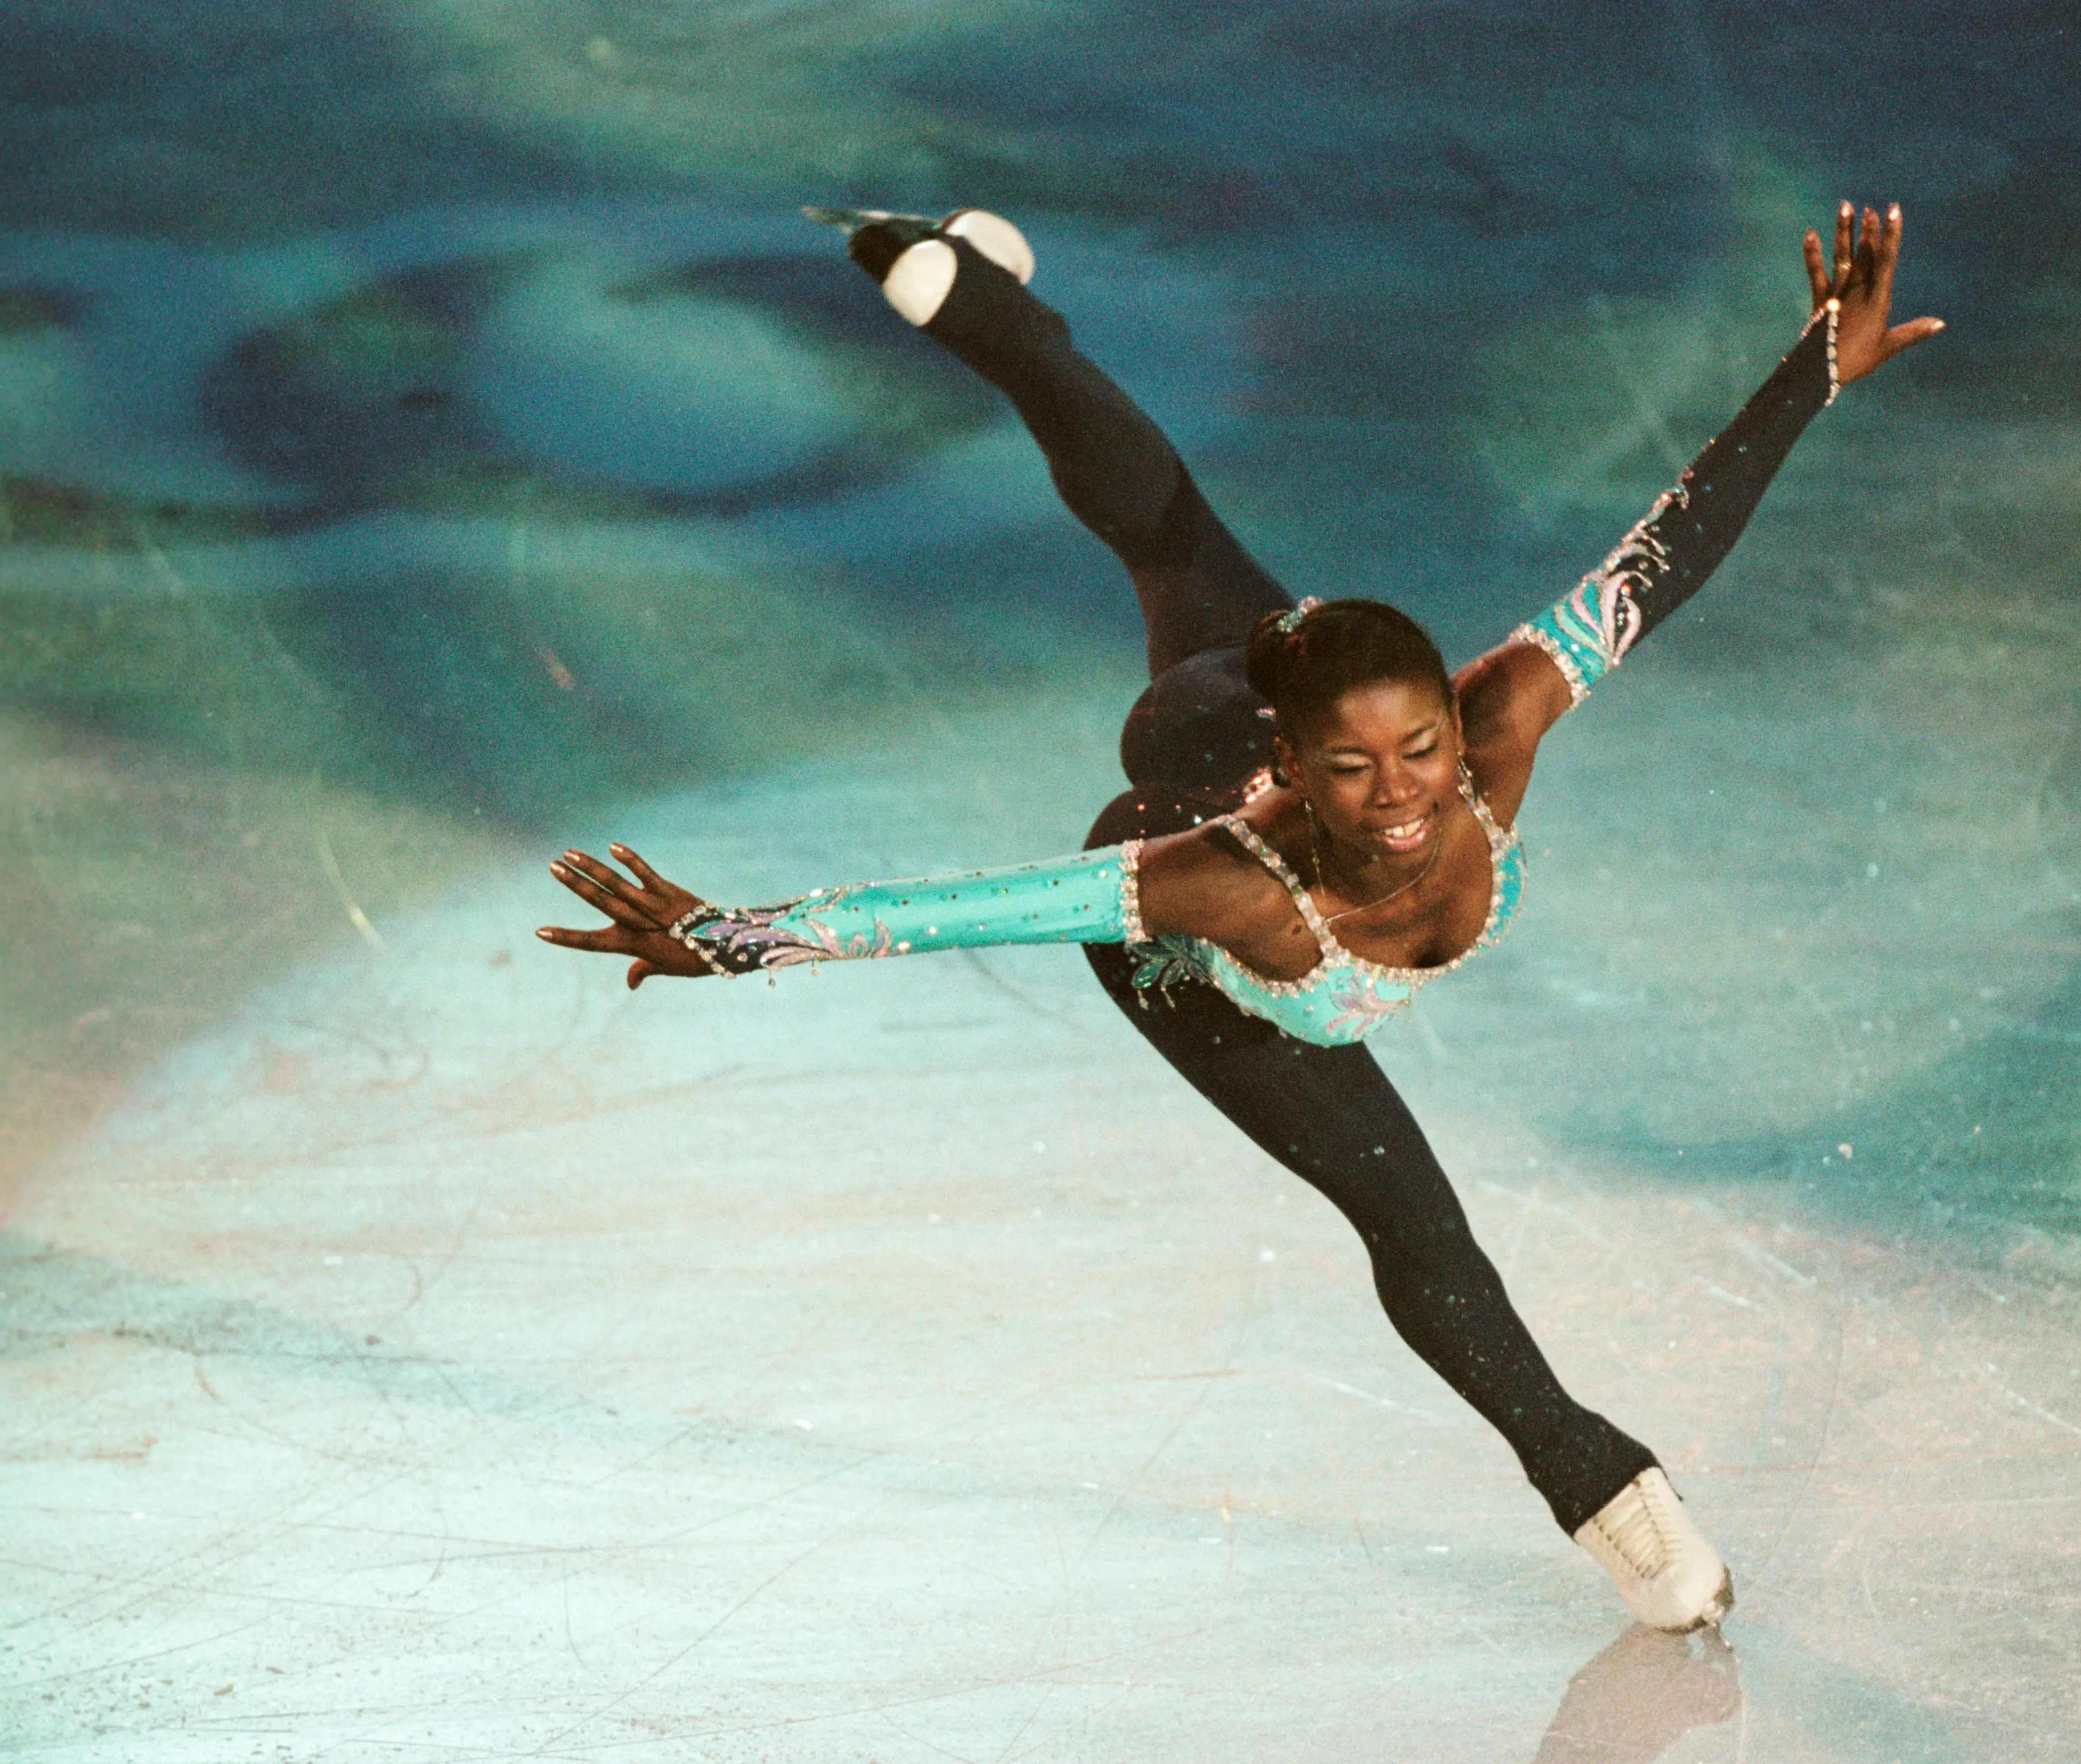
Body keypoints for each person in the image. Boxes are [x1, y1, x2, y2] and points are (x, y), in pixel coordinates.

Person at [538, 199, 1940, 1631]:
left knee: (1172, 537)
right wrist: (733, 936)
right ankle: (1605, 1491)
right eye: (1355, 768)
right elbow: (967, 908)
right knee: (1409, 1215)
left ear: (1452, 724)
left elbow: (1672, 544)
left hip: (1243, 694)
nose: (1401, 797)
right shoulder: (1222, 890)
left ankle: (975, 304)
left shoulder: (1497, 714)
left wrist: (1814, 365)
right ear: (1301, 763)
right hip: (1183, 907)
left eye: (1419, 753)